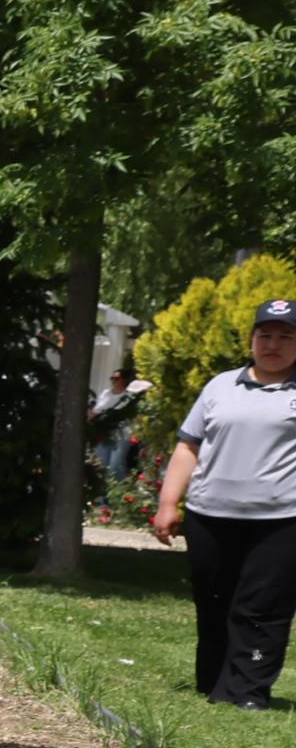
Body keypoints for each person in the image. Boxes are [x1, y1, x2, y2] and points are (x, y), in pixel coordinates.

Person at [150, 296, 296, 708]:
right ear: (251, 339)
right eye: (264, 335)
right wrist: (168, 503)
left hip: (281, 520)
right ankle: (213, 683)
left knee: (261, 608)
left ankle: (247, 691)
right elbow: (188, 447)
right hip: (209, 516)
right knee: (214, 601)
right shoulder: (220, 386)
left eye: (286, 337)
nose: (273, 344)